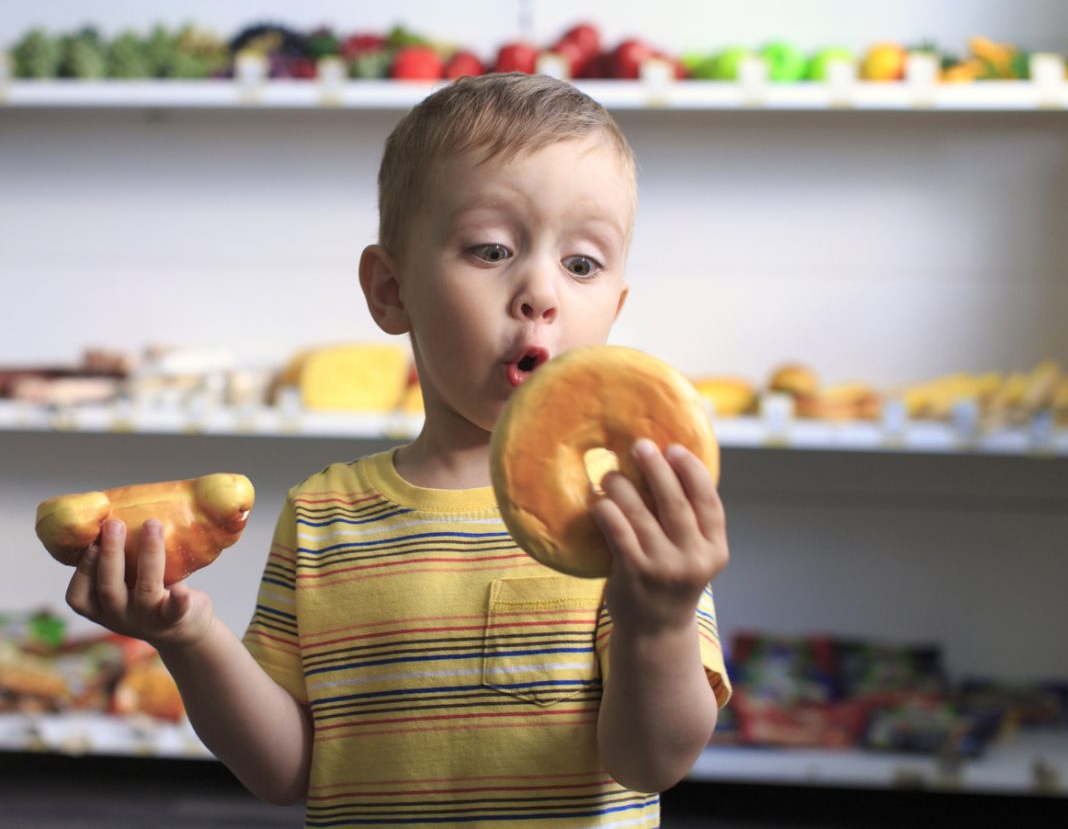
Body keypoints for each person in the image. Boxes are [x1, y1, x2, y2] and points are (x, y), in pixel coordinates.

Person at [64, 73, 731, 828]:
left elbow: (653, 761)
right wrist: (186, 637)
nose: (541, 290)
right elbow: (287, 769)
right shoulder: (324, 516)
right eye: (490, 249)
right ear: (391, 290)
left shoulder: (626, 520)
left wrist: (662, 621)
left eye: (582, 264)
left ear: (614, 309)